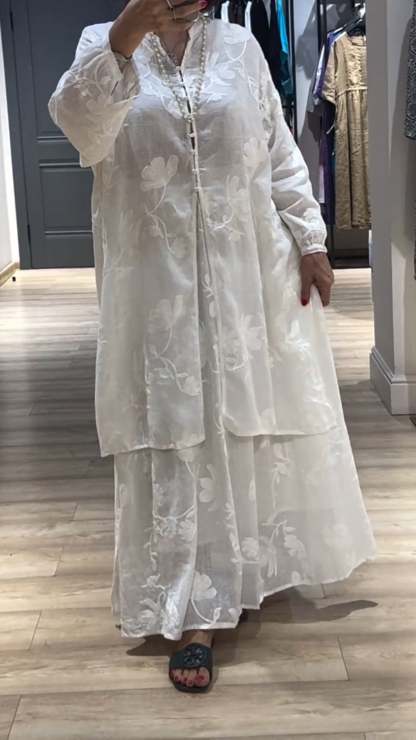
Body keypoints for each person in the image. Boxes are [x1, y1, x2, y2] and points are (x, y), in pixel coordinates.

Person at [48, 0, 377, 694]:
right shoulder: (103, 43)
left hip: (245, 273)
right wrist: (126, 34)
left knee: (241, 420)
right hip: (155, 287)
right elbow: (81, 126)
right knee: (174, 432)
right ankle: (192, 610)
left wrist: (311, 238)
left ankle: (237, 574)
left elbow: (277, 147)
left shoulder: (237, 47)